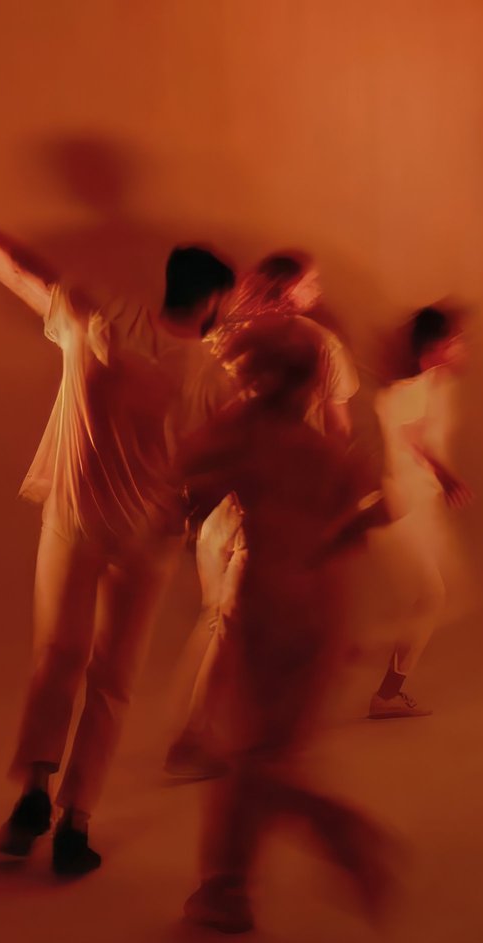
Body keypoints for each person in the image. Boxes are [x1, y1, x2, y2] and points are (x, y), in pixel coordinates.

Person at [0, 171, 235, 876]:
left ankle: (33, 796)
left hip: (73, 520)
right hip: (146, 541)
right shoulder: (210, 376)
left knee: (56, 658)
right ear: (213, 301)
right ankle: (76, 820)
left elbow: (21, 274)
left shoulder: (96, 319)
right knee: (112, 677)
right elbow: (217, 468)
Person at [178, 318, 397, 933]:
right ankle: (227, 888)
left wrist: (189, 514)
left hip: (269, 600)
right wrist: (326, 549)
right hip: (322, 604)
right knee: (271, 750)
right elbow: (375, 509)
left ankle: (331, 832)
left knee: (253, 753)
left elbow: (181, 474)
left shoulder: (242, 435)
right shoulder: (322, 451)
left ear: (258, 377)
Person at [165, 250, 360, 778]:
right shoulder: (319, 344)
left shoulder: (219, 340)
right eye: (310, 281)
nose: (318, 288)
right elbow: (339, 430)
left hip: (221, 500)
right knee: (251, 620)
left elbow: (196, 423)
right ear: (285, 289)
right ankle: (209, 737)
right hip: (275, 499)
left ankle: (208, 731)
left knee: (219, 619)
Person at [366, 305, 471, 719]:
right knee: (433, 596)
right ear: (436, 345)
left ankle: (386, 687)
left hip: (417, 504)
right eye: (456, 341)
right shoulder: (407, 388)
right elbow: (413, 439)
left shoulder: (429, 385)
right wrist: (446, 476)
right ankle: (370, 663)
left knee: (442, 597)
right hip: (402, 505)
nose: (463, 348)